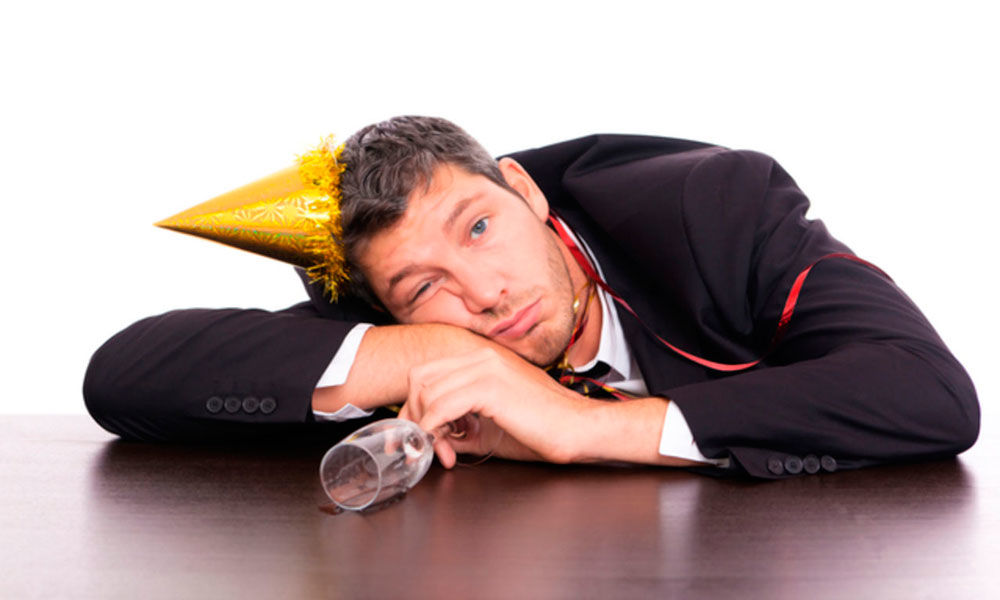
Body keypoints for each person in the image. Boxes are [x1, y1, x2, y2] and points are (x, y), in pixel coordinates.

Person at [83, 116, 980, 478]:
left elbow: (929, 392)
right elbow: (124, 377)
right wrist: (435, 350)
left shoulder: (710, 209)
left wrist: (580, 424)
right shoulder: (409, 319)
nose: (482, 293)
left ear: (524, 190)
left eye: (478, 227)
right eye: (424, 285)